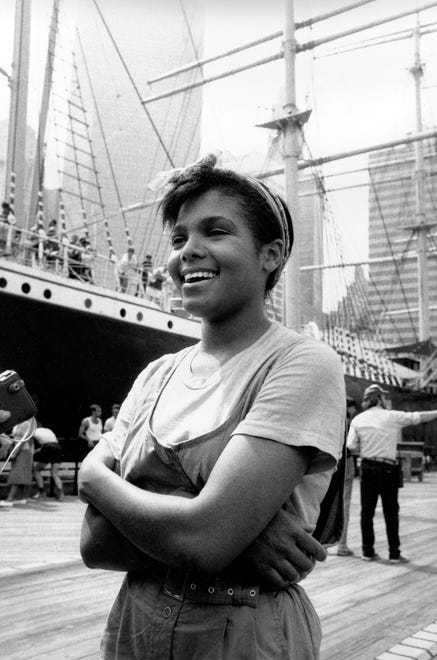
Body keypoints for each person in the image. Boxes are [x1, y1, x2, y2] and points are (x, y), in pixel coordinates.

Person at [78, 156, 345, 659]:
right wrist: (236, 532)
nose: (189, 252)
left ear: (271, 254)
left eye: (216, 231)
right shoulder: (157, 375)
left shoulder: (301, 363)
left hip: (245, 629)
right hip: (135, 622)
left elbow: (205, 542)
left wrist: (95, 479)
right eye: (179, 239)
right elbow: (94, 545)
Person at [347, 384, 437, 563]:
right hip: (388, 469)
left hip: (367, 468)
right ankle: (394, 553)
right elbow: (417, 417)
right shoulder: (392, 416)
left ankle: (367, 551)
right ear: (380, 398)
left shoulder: (358, 420)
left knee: (367, 512)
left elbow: (351, 446)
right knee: (391, 512)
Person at [336, 396, 358, 556]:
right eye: (353, 408)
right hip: (345, 464)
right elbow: (346, 446)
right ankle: (342, 544)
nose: (354, 411)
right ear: (348, 407)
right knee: (345, 504)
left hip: (329, 464)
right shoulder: (345, 421)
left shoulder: (332, 415)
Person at [0, 420, 33, 507]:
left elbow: (21, 440)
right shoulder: (19, 423)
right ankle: (21, 497)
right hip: (21, 450)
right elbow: (16, 437)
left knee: (16, 474)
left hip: (22, 451)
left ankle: (10, 498)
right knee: (20, 474)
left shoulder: (24, 423)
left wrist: (14, 453)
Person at [32, 422, 64, 501]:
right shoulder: (48, 430)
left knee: (36, 470)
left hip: (48, 447)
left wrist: (34, 452)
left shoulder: (34, 431)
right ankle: (60, 493)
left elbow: (44, 445)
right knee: (54, 473)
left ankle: (42, 492)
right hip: (57, 447)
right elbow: (52, 442)